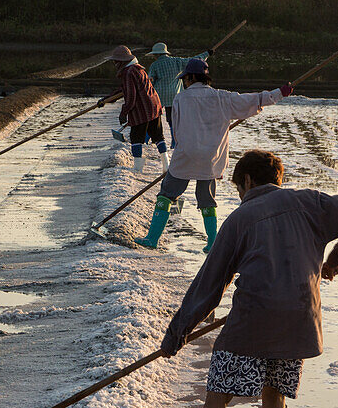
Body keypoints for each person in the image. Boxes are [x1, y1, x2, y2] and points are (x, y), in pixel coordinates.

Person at [152, 150, 338, 408]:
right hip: (300, 320)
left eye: (238, 186)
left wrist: (176, 333)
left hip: (253, 321)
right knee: (275, 393)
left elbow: (209, 285)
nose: (239, 194)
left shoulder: (241, 218)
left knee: (217, 394)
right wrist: (334, 261)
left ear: (248, 181)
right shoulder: (311, 203)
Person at [134, 58, 292, 253]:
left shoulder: (180, 98)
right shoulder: (222, 98)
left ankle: (152, 238)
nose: (184, 82)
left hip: (185, 155)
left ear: (191, 78)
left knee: (166, 195)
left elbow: (177, 129)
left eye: (185, 79)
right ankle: (212, 243)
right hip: (210, 157)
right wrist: (280, 93)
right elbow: (254, 100)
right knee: (207, 199)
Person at [103, 45, 167, 173]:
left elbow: (131, 96)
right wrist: (106, 100)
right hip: (154, 106)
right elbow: (122, 90)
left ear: (122, 61)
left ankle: (138, 169)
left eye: (116, 61)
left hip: (142, 109)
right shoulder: (137, 69)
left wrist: (124, 113)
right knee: (158, 136)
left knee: (136, 138)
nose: (115, 64)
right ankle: (167, 167)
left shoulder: (128, 72)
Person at [146, 42, 210, 146]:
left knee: (153, 118)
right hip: (174, 96)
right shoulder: (176, 61)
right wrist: (207, 53)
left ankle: (144, 141)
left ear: (157, 55)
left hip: (158, 96)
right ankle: (174, 143)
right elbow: (195, 60)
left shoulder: (155, 65)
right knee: (172, 121)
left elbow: (151, 81)